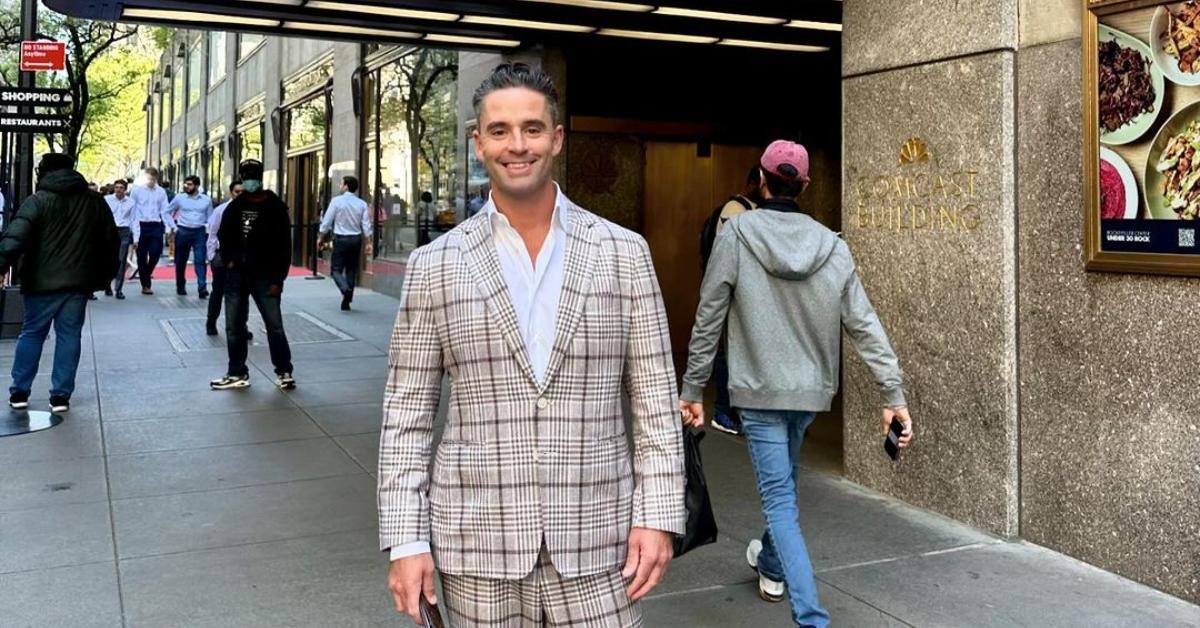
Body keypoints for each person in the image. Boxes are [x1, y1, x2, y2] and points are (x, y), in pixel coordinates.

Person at [378, 63, 685, 628]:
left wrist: (659, 514)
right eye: (499, 131)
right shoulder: (433, 266)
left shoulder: (624, 253)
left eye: (532, 128)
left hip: (602, 544)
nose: (516, 145)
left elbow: (655, 404)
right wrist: (404, 539)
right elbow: (407, 416)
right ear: (478, 141)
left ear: (557, 138)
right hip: (476, 547)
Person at [679, 140, 915, 628]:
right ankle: (769, 563)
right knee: (782, 483)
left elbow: (709, 315)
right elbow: (865, 325)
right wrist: (892, 395)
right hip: (809, 393)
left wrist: (693, 388)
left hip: (760, 392)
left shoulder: (738, 234)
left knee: (780, 501)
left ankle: (811, 618)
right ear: (804, 185)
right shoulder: (832, 245)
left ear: (761, 180)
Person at [0, 153, 118, 413]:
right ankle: (60, 396)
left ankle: (20, 391)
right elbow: (110, 242)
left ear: (43, 172)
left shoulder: (37, 201)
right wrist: (103, 276)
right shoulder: (94, 202)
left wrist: (2, 265)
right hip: (77, 282)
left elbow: (15, 237)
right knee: (69, 336)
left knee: (32, 333)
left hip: (40, 282)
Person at [210, 160, 295, 391]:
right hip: (237, 274)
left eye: (252, 176)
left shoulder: (275, 208)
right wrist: (229, 261)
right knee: (234, 325)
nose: (248, 180)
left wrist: (279, 279)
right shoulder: (235, 207)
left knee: (274, 325)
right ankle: (236, 371)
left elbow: (283, 247)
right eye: (245, 176)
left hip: (266, 276)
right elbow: (224, 236)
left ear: (259, 178)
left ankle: (284, 369)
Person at [698, 166, 762, 436]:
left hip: (738, 293)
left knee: (734, 351)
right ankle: (723, 411)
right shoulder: (737, 210)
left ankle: (735, 410)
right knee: (727, 351)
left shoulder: (744, 210)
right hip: (733, 292)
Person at [318, 175, 372, 311]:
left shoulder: (336, 201)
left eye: (341, 184)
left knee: (336, 269)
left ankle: (345, 289)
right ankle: (346, 301)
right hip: (356, 239)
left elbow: (327, 221)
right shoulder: (362, 204)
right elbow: (366, 225)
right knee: (351, 270)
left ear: (346, 186)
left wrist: (320, 237)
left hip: (341, 239)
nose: (339, 186)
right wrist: (368, 242)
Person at [205, 179, 243, 336]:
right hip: (222, 256)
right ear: (231, 193)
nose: (240, 195)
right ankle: (211, 322)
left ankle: (240, 326)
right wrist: (212, 256)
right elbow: (212, 234)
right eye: (237, 192)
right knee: (218, 291)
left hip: (242, 257)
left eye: (243, 192)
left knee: (241, 294)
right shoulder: (221, 210)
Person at [131, 167, 176, 295]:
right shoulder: (137, 191)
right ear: (145, 177)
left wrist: (168, 227)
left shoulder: (161, 192)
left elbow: (165, 210)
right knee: (141, 256)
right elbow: (133, 211)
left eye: (154, 179)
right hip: (141, 225)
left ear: (157, 179)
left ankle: (145, 273)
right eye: (149, 178)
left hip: (156, 225)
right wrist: (134, 232)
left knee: (156, 253)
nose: (151, 181)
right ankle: (146, 285)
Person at [167, 175, 213, 298]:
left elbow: (210, 217)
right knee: (180, 261)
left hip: (199, 231)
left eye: (190, 184)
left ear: (197, 186)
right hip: (182, 231)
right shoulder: (179, 198)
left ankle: (202, 287)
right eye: (186, 184)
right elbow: (166, 211)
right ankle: (180, 285)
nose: (187, 186)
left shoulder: (206, 200)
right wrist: (174, 227)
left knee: (200, 260)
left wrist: (208, 231)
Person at [104, 179, 138, 300]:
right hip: (110, 231)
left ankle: (118, 289)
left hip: (124, 231)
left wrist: (136, 238)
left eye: (121, 188)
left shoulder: (131, 202)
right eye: (117, 187)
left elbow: (134, 220)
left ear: (125, 189)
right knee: (108, 260)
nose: (118, 190)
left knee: (121, 260)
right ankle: (107, 285)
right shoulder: (107, 200)